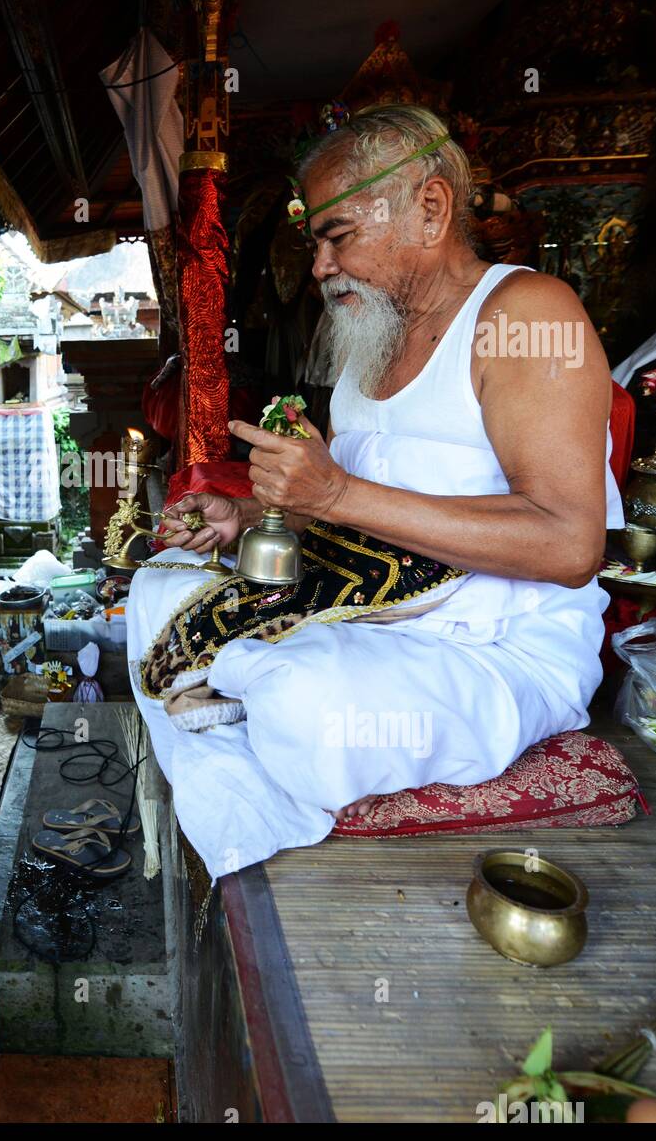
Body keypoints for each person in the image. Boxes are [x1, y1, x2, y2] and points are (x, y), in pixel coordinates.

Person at [129, 103, 622, 881]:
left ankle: (244, 693)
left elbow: (568, 545)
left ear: (429, 209)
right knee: (155, 590)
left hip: (493, 648)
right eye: (315, 241)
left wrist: (331, 496)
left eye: (337, 237)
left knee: (315, 712)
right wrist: (251, 515)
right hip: (364, 607)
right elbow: (357, 506)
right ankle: (244, 687)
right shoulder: (373, 335)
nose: (320, 266)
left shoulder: (526, 315)